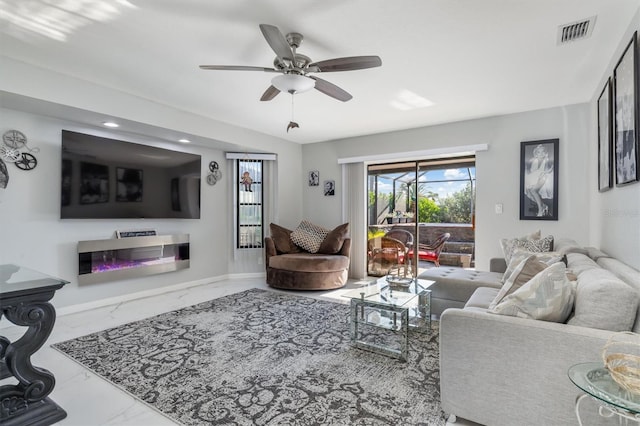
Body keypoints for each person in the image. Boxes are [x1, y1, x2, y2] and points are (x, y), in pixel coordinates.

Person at [524, 144, 553, 217]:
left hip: (544, 177)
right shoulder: (533, 160)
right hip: (535, 177)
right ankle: (543, 206)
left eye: (543, 152)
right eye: (539, 152)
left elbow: (549, 170)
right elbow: (530, 171)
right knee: (529, 192)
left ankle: (540, 210)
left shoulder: (546, 160)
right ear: (536, 153)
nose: (541, 154)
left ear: (545, 153)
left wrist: (546, 160)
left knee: (533, 190)